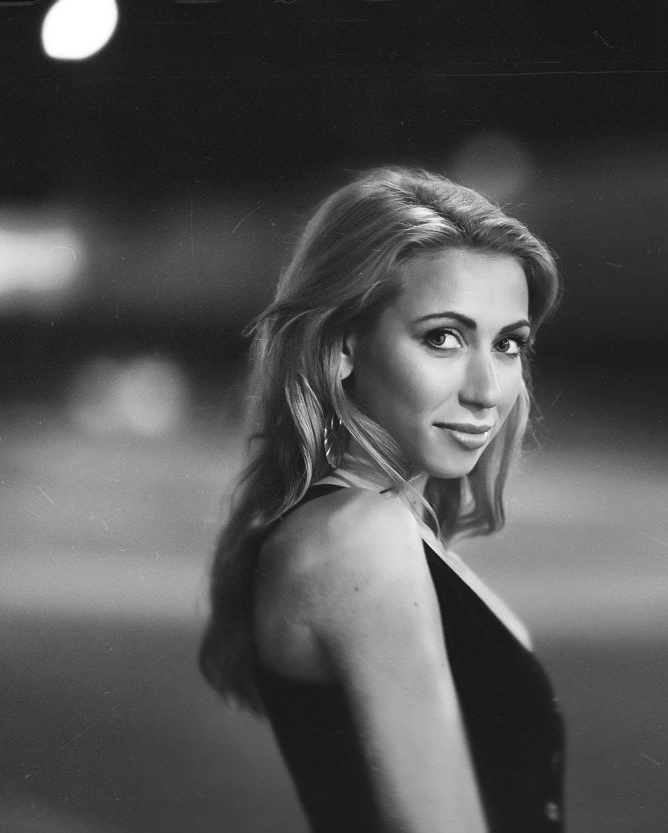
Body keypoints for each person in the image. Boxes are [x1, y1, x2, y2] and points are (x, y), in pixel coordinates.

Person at [198, 167, 565, 832]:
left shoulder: (371, 526)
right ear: (343, 346)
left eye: (508, 344)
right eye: (443, 337)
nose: (487, 390)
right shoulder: (358, 537)